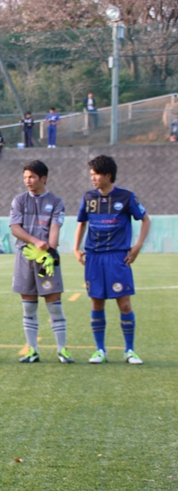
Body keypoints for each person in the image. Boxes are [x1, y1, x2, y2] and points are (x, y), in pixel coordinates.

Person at [74, 155, 151, 364]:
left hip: (117, 257)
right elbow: (82, 223)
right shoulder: (88, 197)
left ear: (108, 175)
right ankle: (100, 350)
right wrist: (76, 248)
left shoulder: (126, 197)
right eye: (91, 175)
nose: (92, 178)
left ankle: (129, 350)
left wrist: (137, 246)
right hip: (94, 257)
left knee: (124, 304)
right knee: (96, 302)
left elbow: (145, 219)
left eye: (96, 174)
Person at [9, 160, 74, 364]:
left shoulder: (56, 202)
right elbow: (15, 228)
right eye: (25, 177)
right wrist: (36, 242)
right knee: (28, 307)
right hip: (26, 257)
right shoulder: (19, 201)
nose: (27, 181)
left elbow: (55, 228)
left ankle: (62, 350)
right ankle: (32, 351)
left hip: (46, 259)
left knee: (54, 306)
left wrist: (49, 252)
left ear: (43, 178)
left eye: (32, 177)